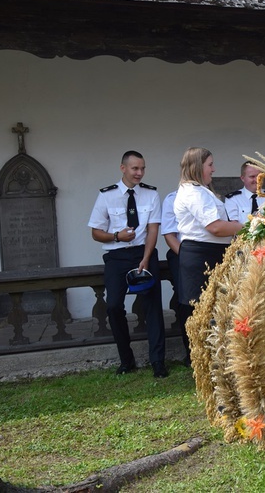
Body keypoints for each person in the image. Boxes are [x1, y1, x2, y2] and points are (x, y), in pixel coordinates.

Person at [88, 150, 168, 378]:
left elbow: (153, 229)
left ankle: (158, 362)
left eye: (142, 168)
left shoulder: (151, 194)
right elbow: (95, 232)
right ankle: (126, 359)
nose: (139, 173)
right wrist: (116, 237)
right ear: (123, 168)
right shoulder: (106, 195)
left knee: (153, 307)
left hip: (144, 253)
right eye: (135, 168)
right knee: (113, 306)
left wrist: (146, 257)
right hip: (116, 256)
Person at [174, 147, 243, 321]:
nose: (214, 169)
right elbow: (215, 228)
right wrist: (246, 227)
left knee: (213, 311)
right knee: (202, 311)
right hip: (202, 257)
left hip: (209, 254)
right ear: (197, 166)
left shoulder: (199, 190)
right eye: (210, 164)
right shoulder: (193, 192)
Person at [161, 189, 191, 367]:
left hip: (208, 254)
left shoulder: (211, 196)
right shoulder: (172, 198)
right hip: (181, 254)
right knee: (185, 302)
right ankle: (191, 353)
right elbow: (169, 235)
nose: (213, 170)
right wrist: (187, 257)